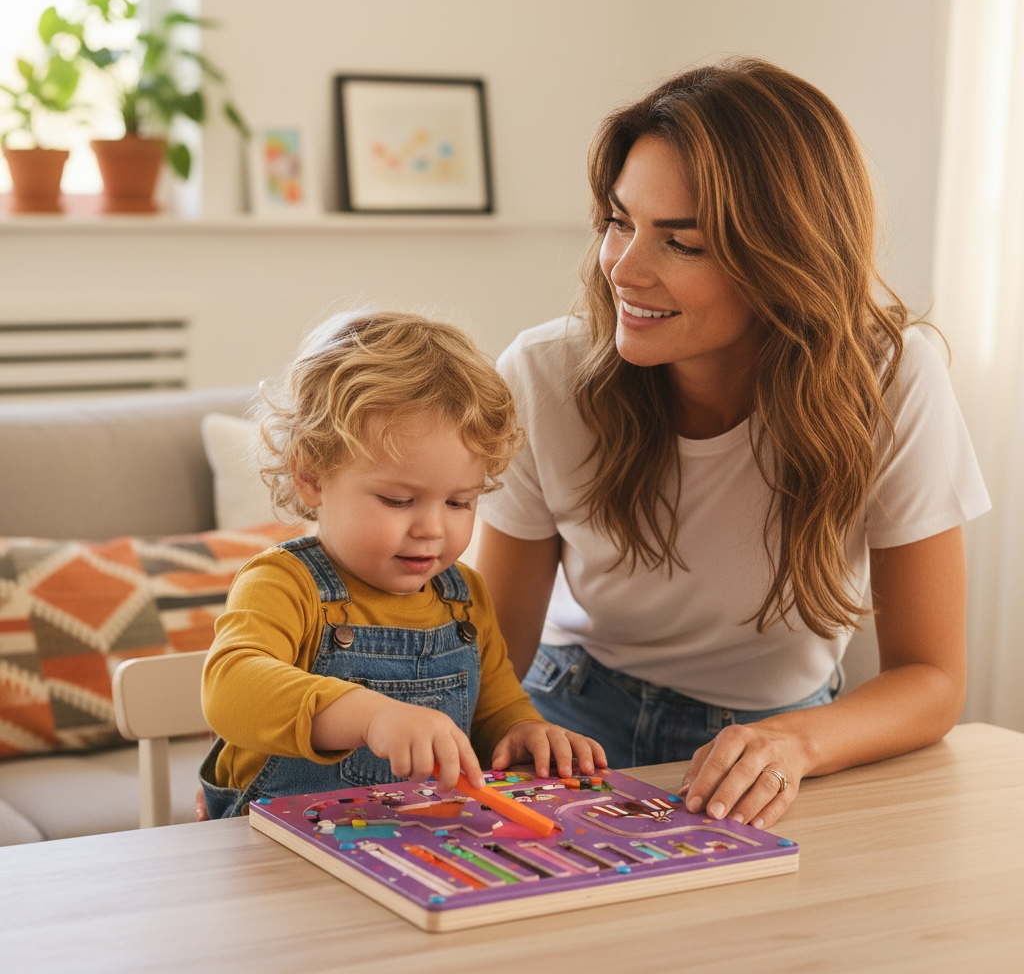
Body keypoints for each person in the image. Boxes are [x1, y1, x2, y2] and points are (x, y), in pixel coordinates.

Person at [474, 57, 990, 831]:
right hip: (567, 717)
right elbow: (495, 664)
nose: (625, 268)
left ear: (786, 258)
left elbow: (932, 679)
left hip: (782, 740)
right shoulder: (546, 375)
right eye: (621, 222)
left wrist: (792, 743)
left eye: (682, 243)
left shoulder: (891, 380)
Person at [199, 311, 606, 819]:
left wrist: (526, 733)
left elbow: (498, 709)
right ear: (311, 476)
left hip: (409, 851)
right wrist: (369, 716)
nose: (432, 529)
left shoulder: (464, 596)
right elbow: (230, 687)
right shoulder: (283, 584)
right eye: (397, 500)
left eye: (459, 502)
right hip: (272, 854)